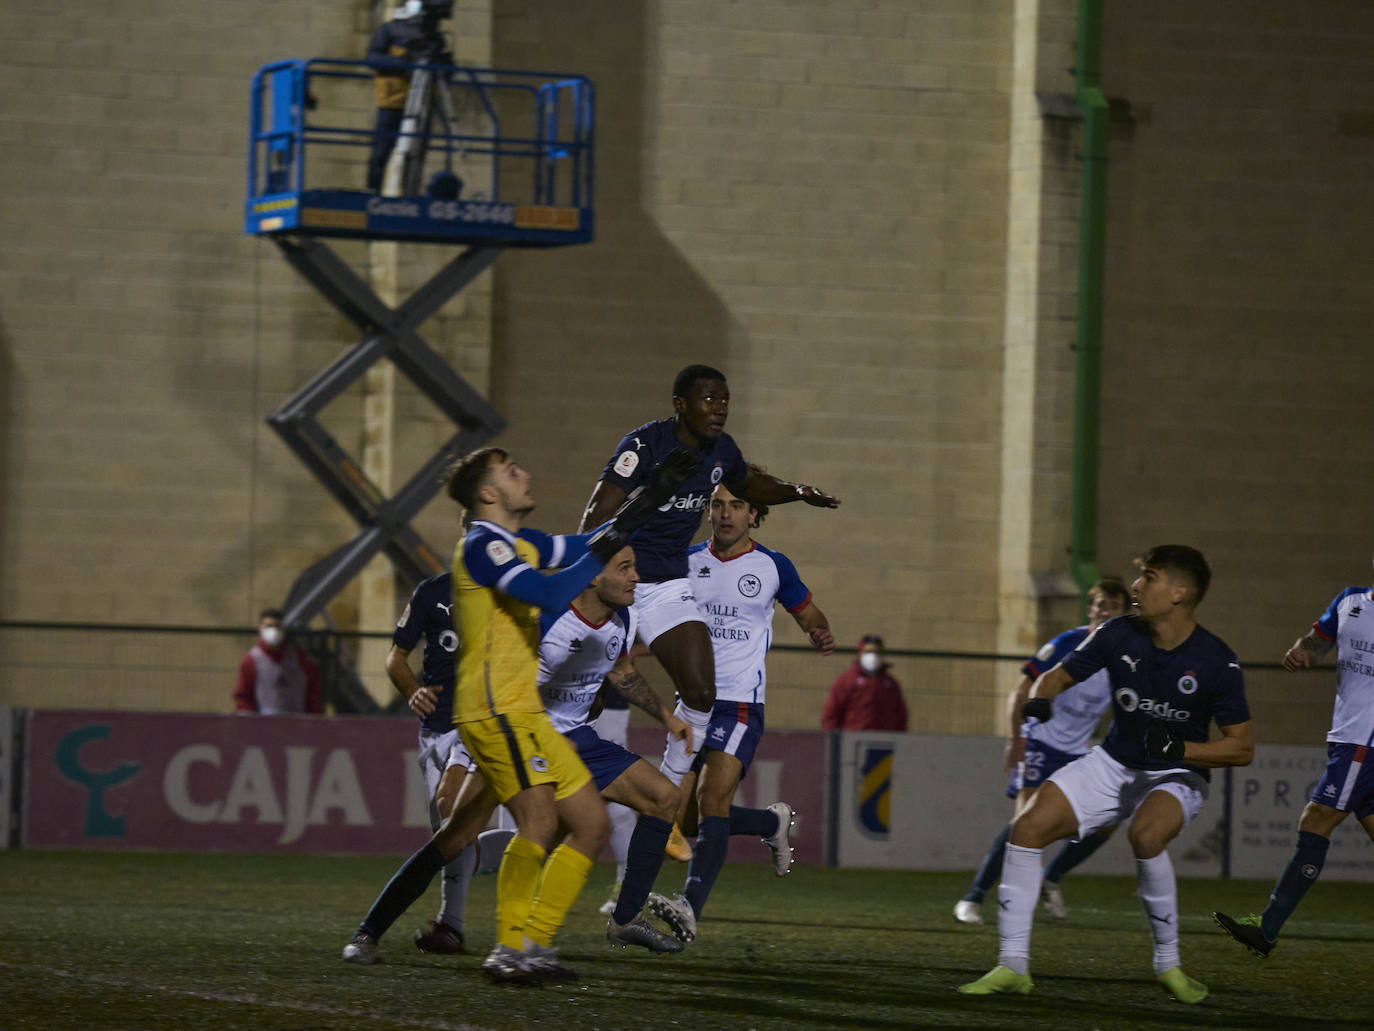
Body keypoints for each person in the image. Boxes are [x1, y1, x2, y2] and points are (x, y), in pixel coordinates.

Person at [342, 444, 697, 983]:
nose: (525, 474)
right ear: (488, 493)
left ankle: (525, 945)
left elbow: (585, 543)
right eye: (511, 472)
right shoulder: (482, 547)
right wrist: (611, 543)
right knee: (531, 824)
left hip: (525, 715)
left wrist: (649, 500)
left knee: (586, 825)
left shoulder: (521, 543)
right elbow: (549, 591)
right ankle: (512, 949)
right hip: (495, 712)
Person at [959, 545, 1253, 1006]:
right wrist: (1041, 699)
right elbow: (1056, 676)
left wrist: (1179, 749)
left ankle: (1169, 965)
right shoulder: (1119, 633)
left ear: (1179, 593)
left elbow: (1241, 747)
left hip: (1178, 771)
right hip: (1114, 762)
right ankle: (1012, 966)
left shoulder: (1217, 660)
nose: (1137, 585)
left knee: (1146, 835)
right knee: (1027, 828)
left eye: (1149, 577)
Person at [577, 365, 839, 833]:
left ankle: (667, 802)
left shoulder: (723, 451)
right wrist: (652, 494)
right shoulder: (644, 446)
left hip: (667, 586)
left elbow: (751, 484)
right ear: (680, 404)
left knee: (700, 692)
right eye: (708, 399)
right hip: (620, 584)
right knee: (586, 703)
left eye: (724, 400)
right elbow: (593, 521)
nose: (719, 408)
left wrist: (798, 492)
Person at [644, 482, 833, 944]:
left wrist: (819, 632)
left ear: (754, 514)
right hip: (693, 703)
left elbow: (809, 614)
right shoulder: (686, 562)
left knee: (712, 800)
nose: (726, 513)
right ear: (708, 511)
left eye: (737, 505)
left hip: (741, 703)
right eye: (718, 504)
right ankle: (772, 823)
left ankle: (689, 907)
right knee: (685, 818)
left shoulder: (773, 565)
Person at [1213, 561, 1374, 958]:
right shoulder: (1349, 601)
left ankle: (1267, 927)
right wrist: (1303, 651)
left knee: (1316, 819)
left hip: (1363, 741)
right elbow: (1318, 640)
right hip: (1348, 737)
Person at [954, 579, 1130, 926]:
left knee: (1108, 819)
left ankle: (1052, 878)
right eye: (1099, 604)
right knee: (1025, 824)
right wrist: (1015, 739)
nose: (1104, 611)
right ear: (1090, 609)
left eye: (1113, 605)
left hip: (1076, 751)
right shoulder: (1068, 643)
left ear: (1123, 614)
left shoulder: (1125, 659)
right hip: (1040, 742)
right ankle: (973, 897)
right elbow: (1021, 690)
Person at [385, 571, 477, 954]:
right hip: (434, 729)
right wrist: (413, 690)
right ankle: (452, 925)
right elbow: (395, 658)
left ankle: (524, 930)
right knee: (446, 830)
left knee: (451, 808)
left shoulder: (507, 586)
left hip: (478, 723)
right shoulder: (432, 592)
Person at [364, 1, 428, 193]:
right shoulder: (389, 30)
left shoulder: (427, 34)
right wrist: (403, 62)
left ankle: (409, 194)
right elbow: (373, 59)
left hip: (421, 105)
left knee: (415, 153)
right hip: (392, 101)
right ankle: (372, 190)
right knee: (381, 150)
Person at [232, 608, 323, 715]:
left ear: (283, 629)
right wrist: (251, 719)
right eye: (269, 626)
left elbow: (314, 690)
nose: (273, 630)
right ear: (260, 628)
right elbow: (243, 695)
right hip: (264, 721)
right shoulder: (252, 660)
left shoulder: (300, 658)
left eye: (277, 626)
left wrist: (312, 718)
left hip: (296, 720)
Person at [820, 635, 908, 731]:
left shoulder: (890, 684)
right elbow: (831, 713)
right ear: (860, 654)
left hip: (884, 738)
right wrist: (832, 736)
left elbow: (900, 715)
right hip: (853, 737)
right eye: (868, 652)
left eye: (877, 652)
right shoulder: (846, 681)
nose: (873, 656)